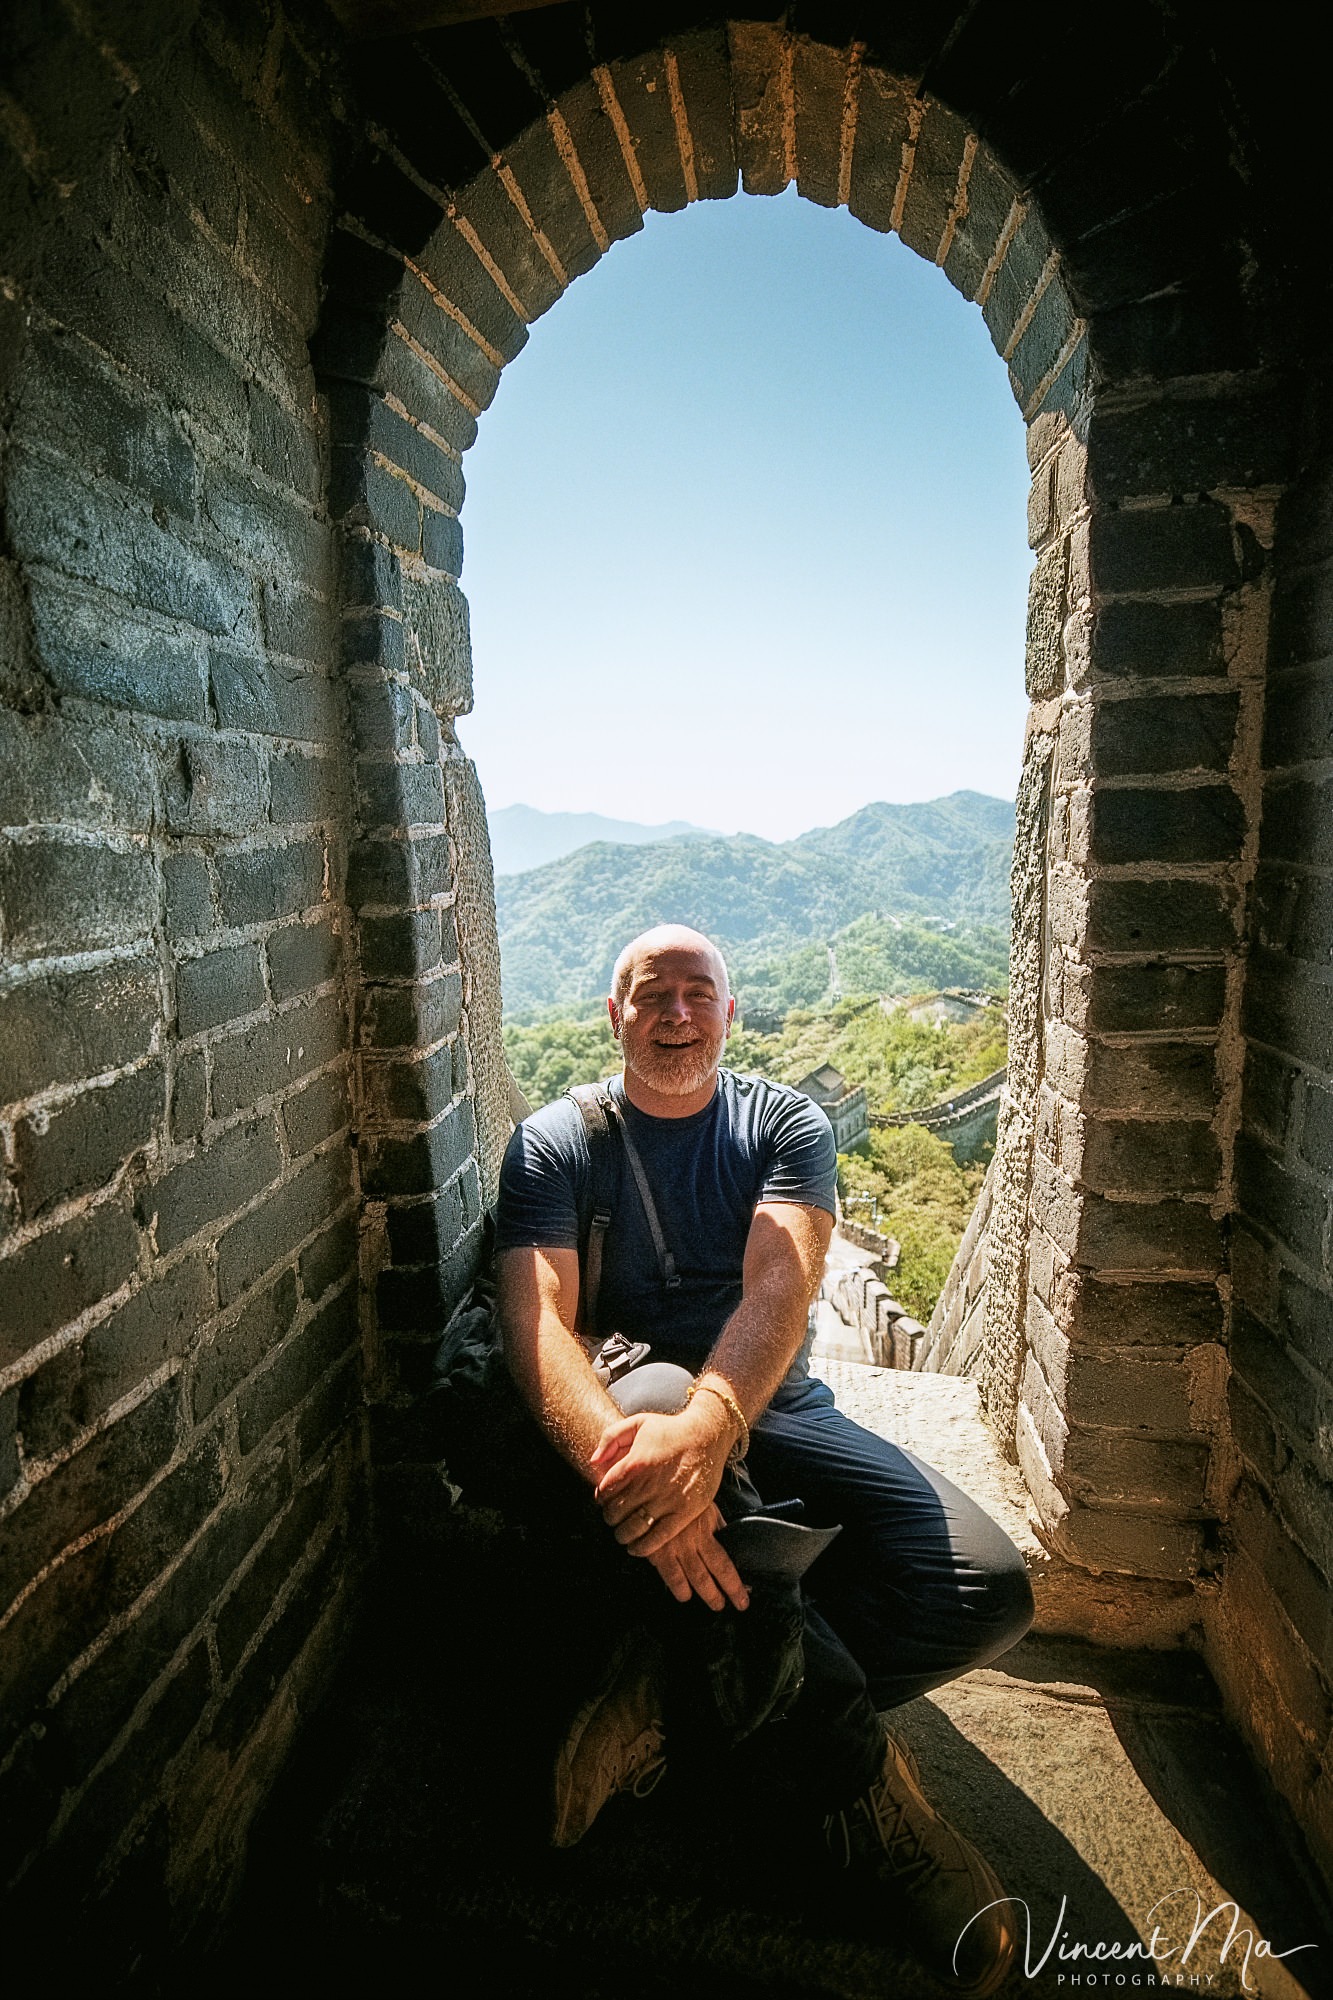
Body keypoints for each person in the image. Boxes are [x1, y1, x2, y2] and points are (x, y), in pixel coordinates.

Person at [493, 924, 1034, 1996]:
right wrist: (672, 1443)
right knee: (654, 1424)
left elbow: (780, 1283)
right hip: (631, 1404)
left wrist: (715, 1421)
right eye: (652, 994)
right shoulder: (557, 1140)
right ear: (615, 1015)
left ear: (729, 1014)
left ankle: (680, 1689)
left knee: (985, 1585)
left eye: (699, 992)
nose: (676, 1012)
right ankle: (862, 1787)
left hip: (768, 1401)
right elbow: (536, 1321)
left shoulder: (780, 1119)